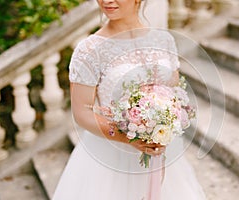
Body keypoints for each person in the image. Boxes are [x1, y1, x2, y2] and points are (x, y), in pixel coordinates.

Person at [52, 0, 206, 199]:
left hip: (161, 150)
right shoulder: (89, 49)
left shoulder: (164, 39)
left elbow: (174, 93)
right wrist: (128, 138)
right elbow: (82, 112)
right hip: (110, 155)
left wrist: (166, 124)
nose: (106, 1)